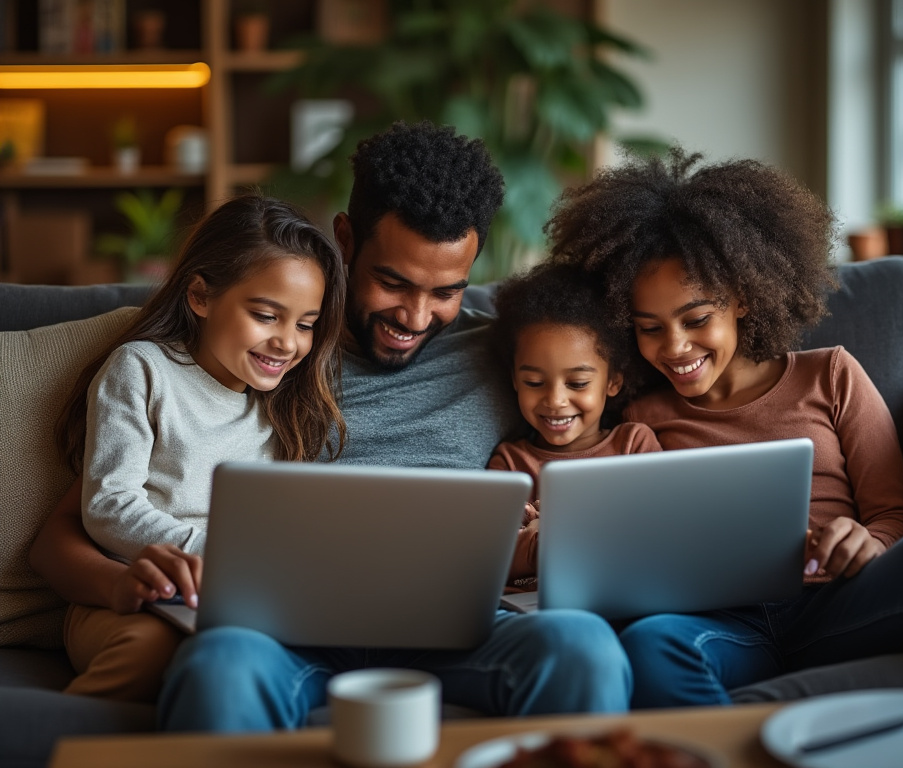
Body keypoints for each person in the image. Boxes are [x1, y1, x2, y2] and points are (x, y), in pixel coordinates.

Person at [31, 121, 632, 729]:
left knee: (581, 647)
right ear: (345, 239)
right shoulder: (271, 352)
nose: (416, 317)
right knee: (221, 665)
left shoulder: (511, 358)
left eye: (448, 291)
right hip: (288, 625)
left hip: (450, 618)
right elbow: (69, 528)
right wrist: (126, 583)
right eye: (392, 282)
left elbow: (623, 381)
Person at [544, 148, 903, 707]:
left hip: (837, 604)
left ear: (743, 299)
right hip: (721, 624)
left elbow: (894, 515)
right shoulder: (640, 418)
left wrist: (868, 542)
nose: (674, 347)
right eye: (649, 328)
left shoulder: (833, 375)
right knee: (651, 643)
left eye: (697, 319)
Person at [42, 194, 347, 703]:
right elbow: (107, 505)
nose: (287, 343)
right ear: (201, 296)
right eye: (266, 315)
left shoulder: (282, 409)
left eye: (305, 324)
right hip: (133, 590)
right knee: (152, 651)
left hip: (234, 600)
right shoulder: (143, 370)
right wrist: (219, 557)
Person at [487, 261, 660, 588]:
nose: (555, 400)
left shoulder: (634, 445)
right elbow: (489, 557)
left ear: (613, 381)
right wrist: (538, 547)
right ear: (514, 380)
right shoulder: (511, 464)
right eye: (535, 382)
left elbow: (659, 532)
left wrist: (554, 529)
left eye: (578, 383)